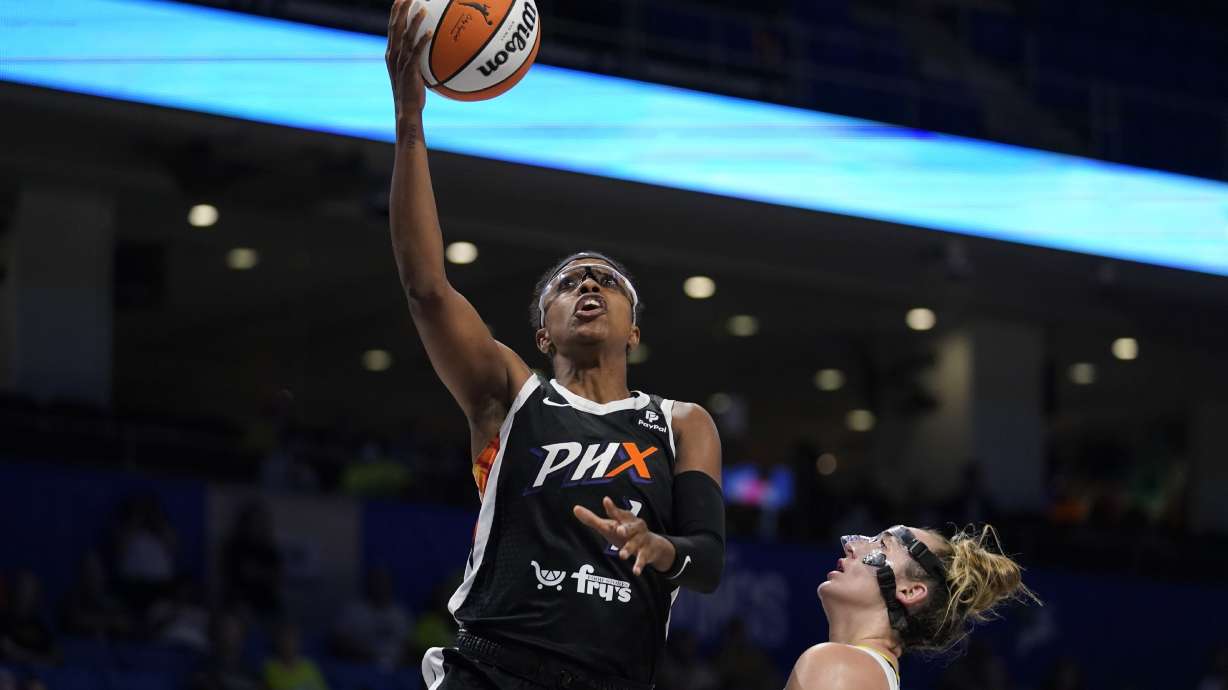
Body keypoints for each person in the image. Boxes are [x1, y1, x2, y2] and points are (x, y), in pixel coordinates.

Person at [384, 4, 726, 688]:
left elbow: (709, 561)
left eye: (608, 281)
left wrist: (658, 546)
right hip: (492, 669)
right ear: (544, 333)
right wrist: (410, 121)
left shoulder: (682, 423)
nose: (589, 284)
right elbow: (427, 289)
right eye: (568, 284)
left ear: (634, 329)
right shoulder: (512, 397)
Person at [786, 525, 1038, 690]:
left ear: (910, 591)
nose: (850, 545)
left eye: (883, 545)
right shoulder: (871, 673)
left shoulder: (838, 665)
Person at [263, 621, 329, 690]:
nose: (289, 643)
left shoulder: (309, 666)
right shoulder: (269, 669)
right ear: (278, 641)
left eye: (293, 638)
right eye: (285, 638)